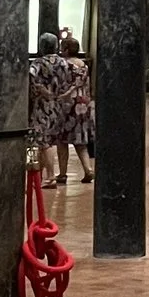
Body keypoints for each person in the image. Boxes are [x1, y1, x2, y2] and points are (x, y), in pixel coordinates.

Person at [28, 32, 83, 188]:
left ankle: (50, 176)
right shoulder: (64, 63)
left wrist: (41, 90)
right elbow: (75, 79)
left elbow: (31, 77)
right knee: (48, 141)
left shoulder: (38, 63)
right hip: (59, 105)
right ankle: (38, 176)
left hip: (42, 106)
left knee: (43, 141)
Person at [59, 31, 95, 185]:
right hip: (83, 103)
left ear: (66, 50)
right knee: (80, 140)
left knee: (62, 140)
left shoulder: (64, 65)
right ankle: (88, 169)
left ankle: (62, 174)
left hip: (67, 104)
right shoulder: (84, 65)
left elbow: (61, 84)